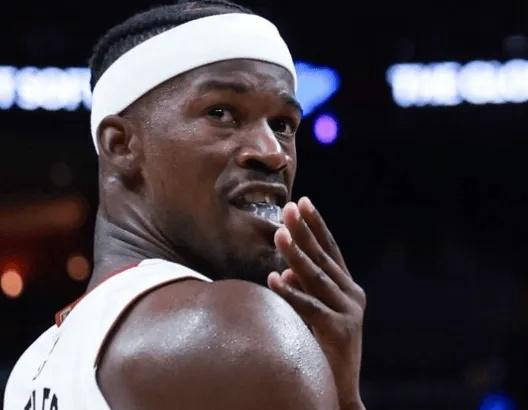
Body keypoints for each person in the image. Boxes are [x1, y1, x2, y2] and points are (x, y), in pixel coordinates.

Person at [4, 1, 367, 409]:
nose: (273, 153)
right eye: (222, 113)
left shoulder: (31, 369)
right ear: (121, 145)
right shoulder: (237, 329)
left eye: (282, 125)